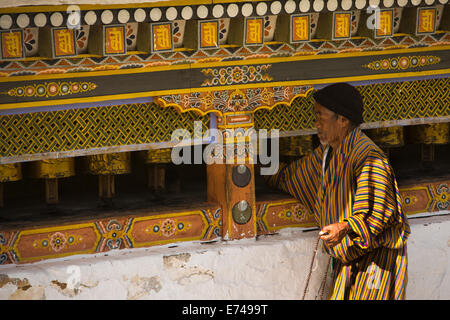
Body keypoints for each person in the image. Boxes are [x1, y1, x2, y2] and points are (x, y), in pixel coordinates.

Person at [265, 83, 410, 300]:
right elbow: (294, 177)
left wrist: (343, 227)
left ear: (342, 120)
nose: (316, 123)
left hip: (376, 264)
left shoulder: (368, 156)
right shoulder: (328, 153)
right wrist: (260, 168)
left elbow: (381, 212)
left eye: (320, 116)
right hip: (349, 261)